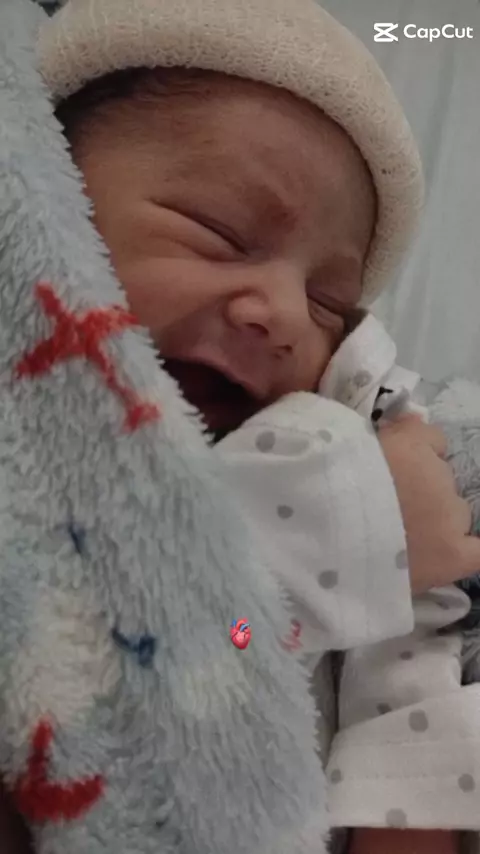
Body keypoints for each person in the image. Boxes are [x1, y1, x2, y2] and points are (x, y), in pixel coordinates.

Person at [27, 0, 480, 852]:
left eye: (329, 302)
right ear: (47, 205)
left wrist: (387, 579)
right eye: (219, 233)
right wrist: (343, 546)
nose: (284, 314)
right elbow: (112, 644)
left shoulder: (335, 433)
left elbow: (394, 699)